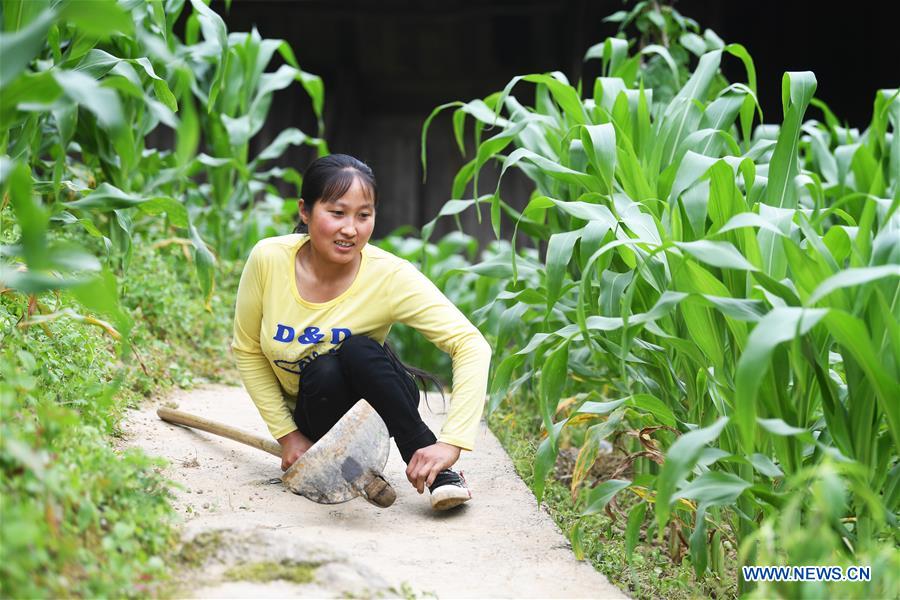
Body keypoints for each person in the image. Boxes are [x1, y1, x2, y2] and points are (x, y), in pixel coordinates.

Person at [231, 153, 492, 510]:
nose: (350, 229)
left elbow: (470, 343)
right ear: (305, 212)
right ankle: (344, 460)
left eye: (363, 215)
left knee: (356, 349)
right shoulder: (269, 260)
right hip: (316, 410)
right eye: (337, 213)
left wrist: (452, 442)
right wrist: (289, 437)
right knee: (322, 369)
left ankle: (436, 470)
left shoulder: (389, 275)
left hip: (380, 403)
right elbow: (247, 349)